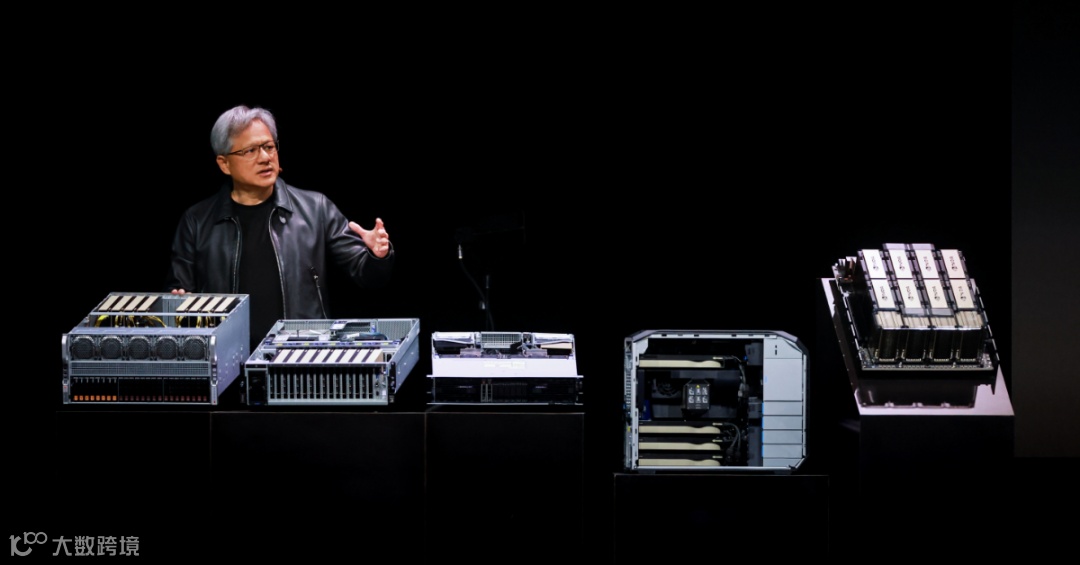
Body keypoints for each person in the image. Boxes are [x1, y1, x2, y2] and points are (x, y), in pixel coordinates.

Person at [164, 105, 394, 351]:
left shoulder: (315, 209)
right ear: (224, 164)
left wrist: (377, 255)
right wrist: (179, 303)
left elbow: (368, 276)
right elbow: (178, 295)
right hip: (226, 359)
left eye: (269, 147)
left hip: (301, 357)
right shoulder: (197, 220)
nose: (265, 157)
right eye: (250, 150)